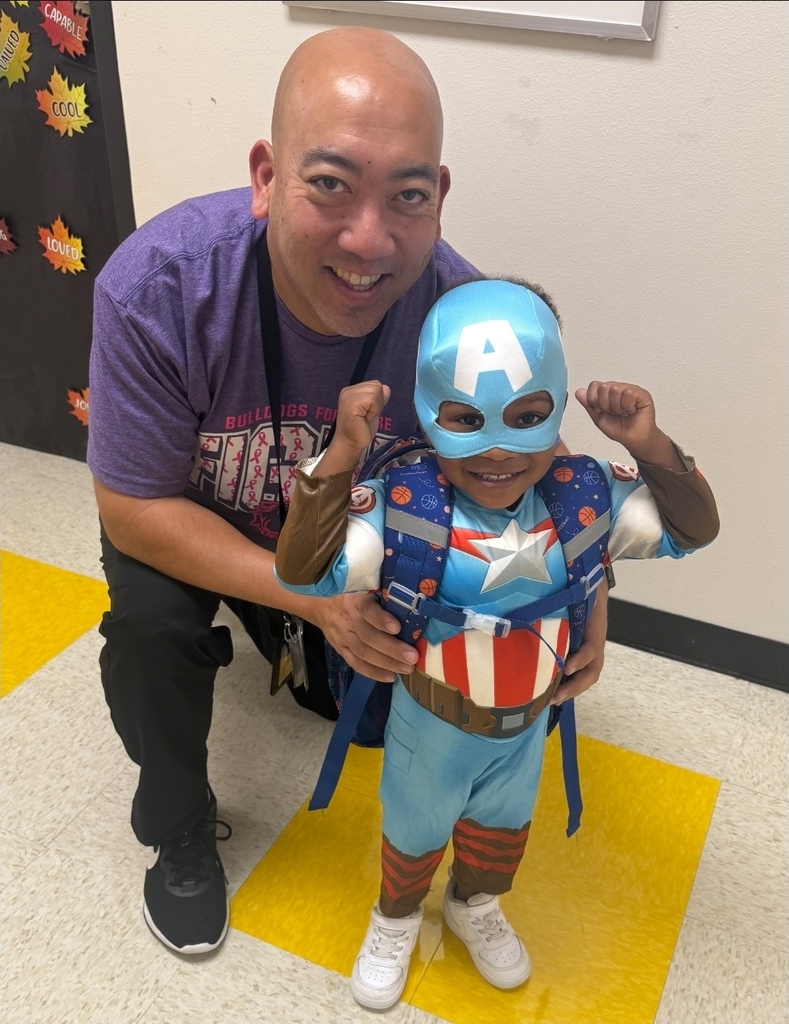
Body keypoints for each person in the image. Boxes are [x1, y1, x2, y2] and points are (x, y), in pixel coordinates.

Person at [87, 28, 609, 956]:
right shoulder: (159, 288)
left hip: (355, 538)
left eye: (406, 196)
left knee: (366, 715)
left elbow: (540, 469)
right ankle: (177, 826)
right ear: (265, 176)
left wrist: (591, 596)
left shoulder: (456, 311)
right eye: (329, 184)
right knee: (150, 632)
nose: (369, 241)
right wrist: (312, 601)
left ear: (438, 201)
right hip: (202, 523)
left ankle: (299, 650)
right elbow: (132, 507)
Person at [274, 278, 719, 1011]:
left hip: (526, 729)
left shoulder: (582, 498)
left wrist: (646, 442)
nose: (496, 450)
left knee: (499, 834)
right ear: (429, 412)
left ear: (553, 408)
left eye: (526, 417)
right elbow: (302, 569)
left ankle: (473, 905)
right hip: (430, 725)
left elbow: (692, 529)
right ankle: (393, 919)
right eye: (463, 419)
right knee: (413, 834)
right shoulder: (407, 512)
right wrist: (340, 457)